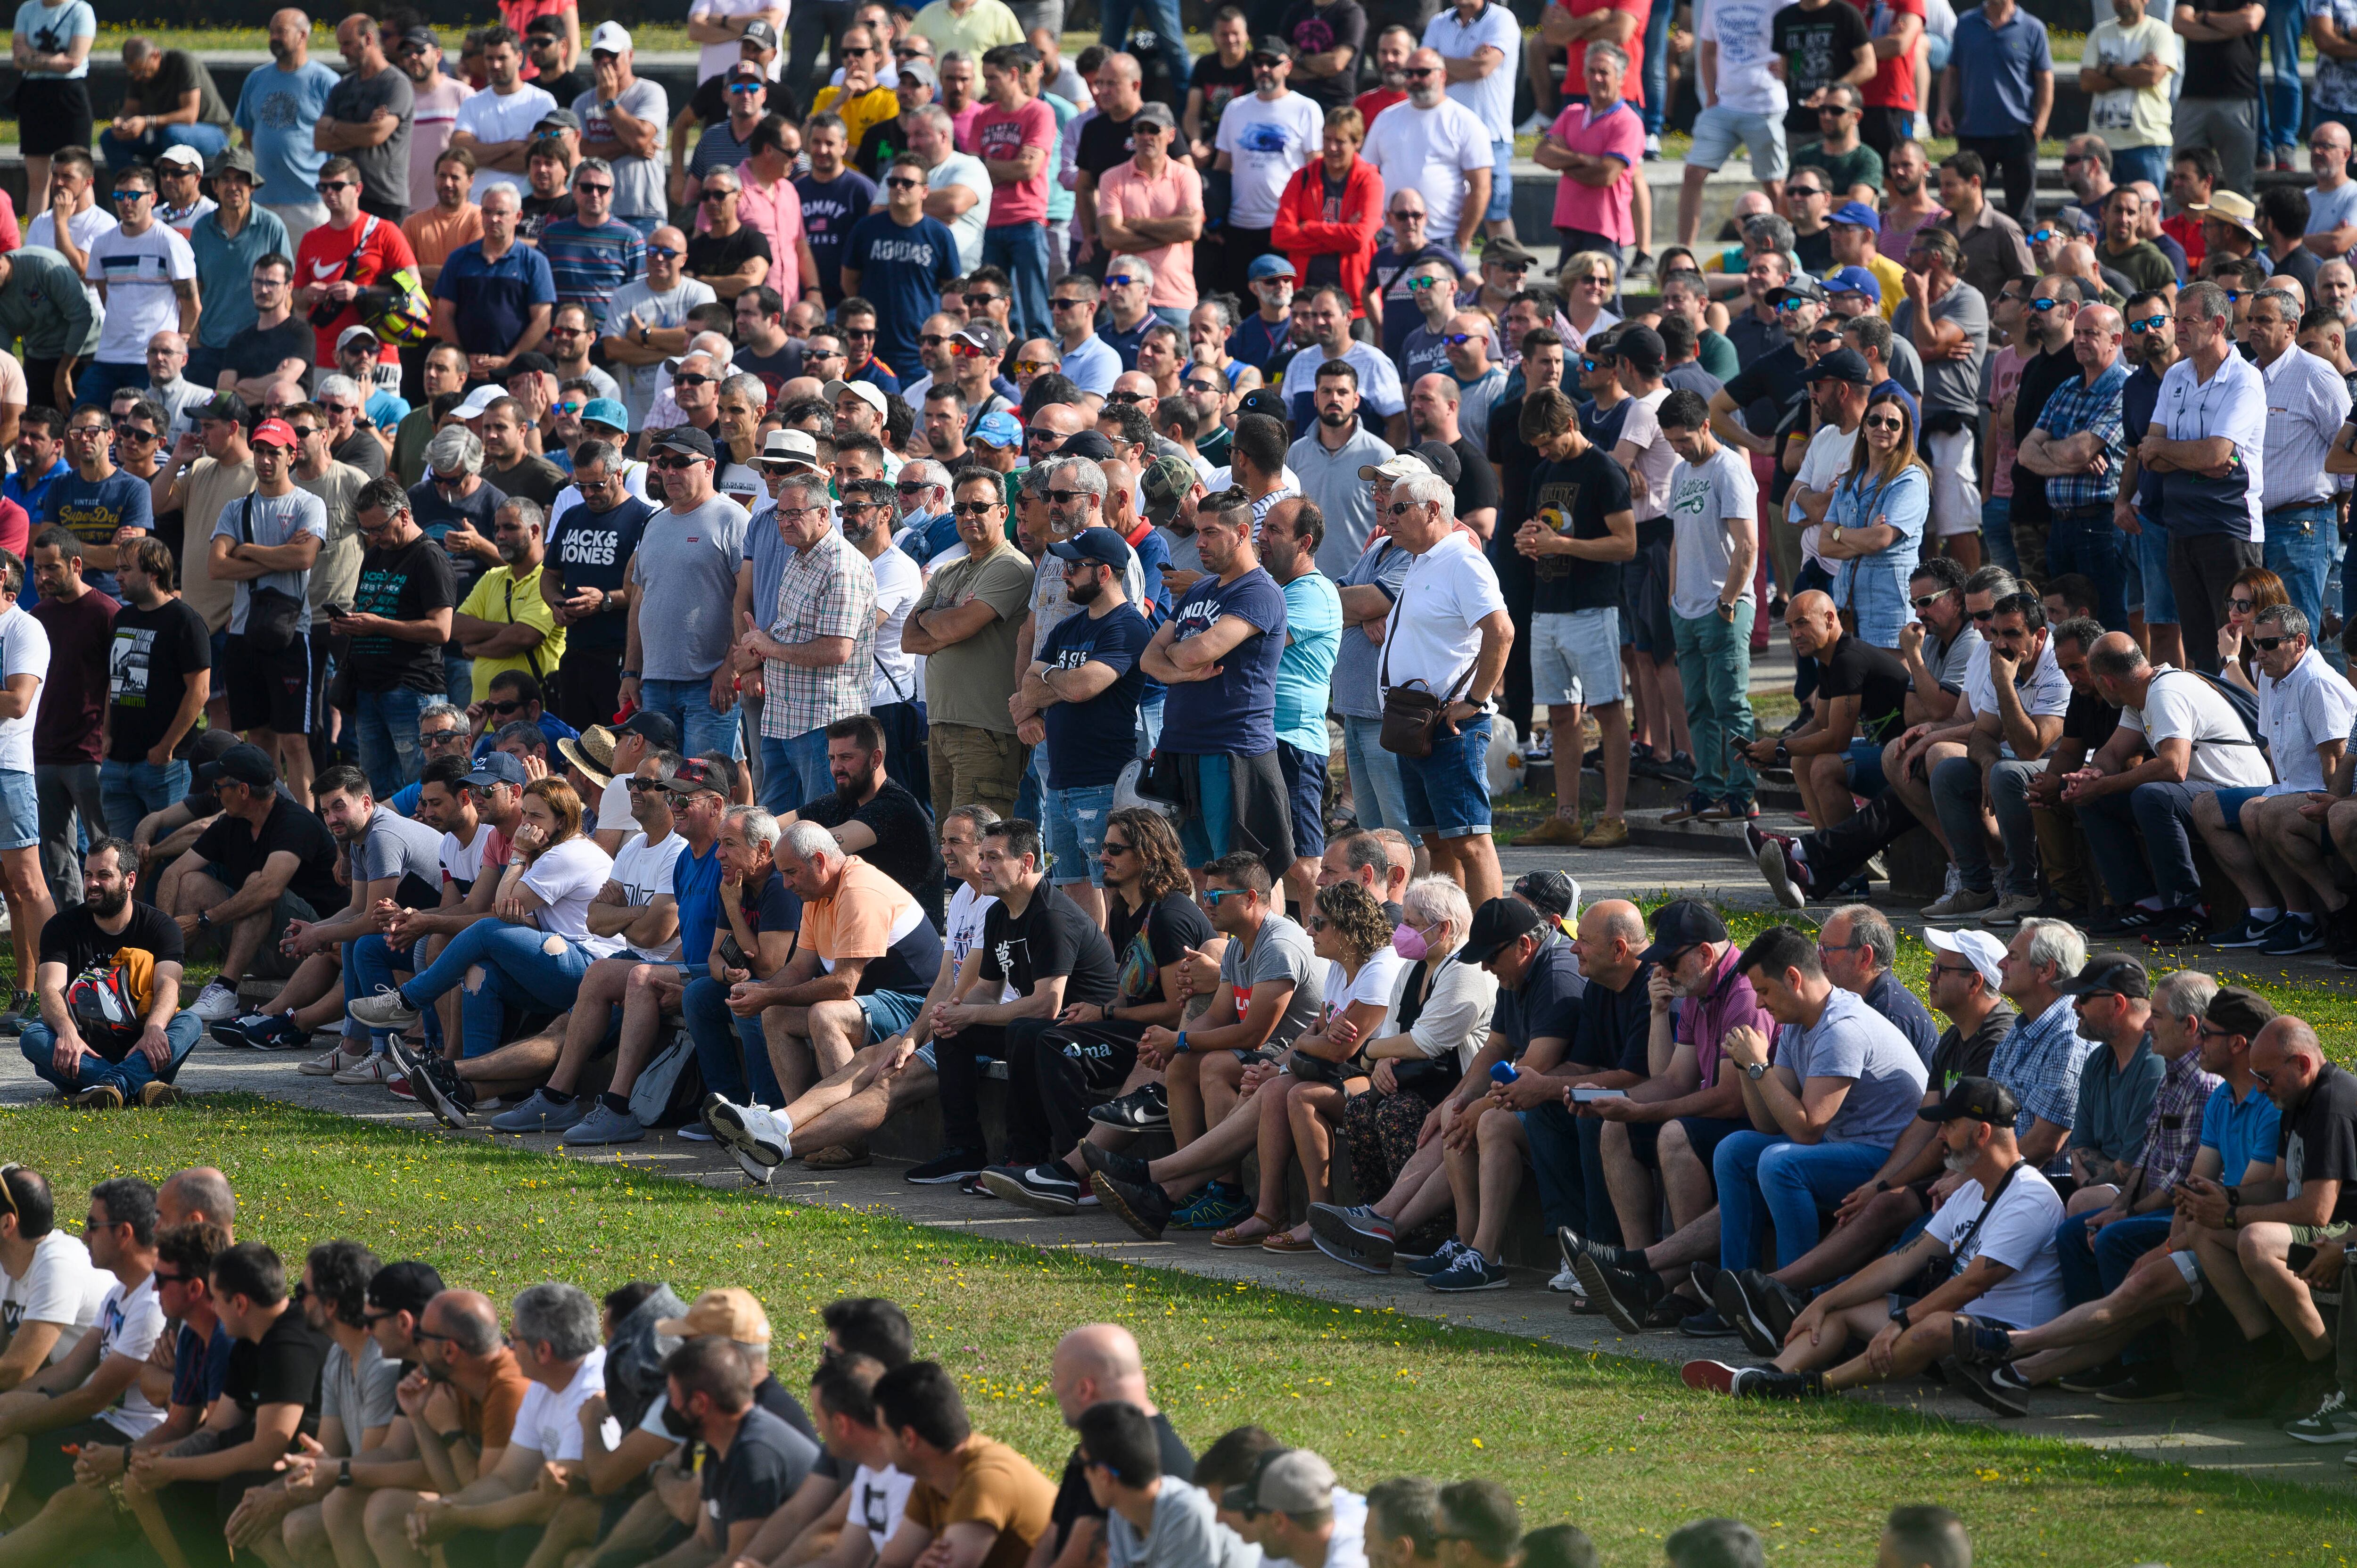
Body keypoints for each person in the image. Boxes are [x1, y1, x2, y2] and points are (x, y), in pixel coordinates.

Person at [1685, 1073, 2065, 1401]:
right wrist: (1823, 1301)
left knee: (1932, 1325)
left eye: (1949, 1125)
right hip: (1957, 1329)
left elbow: (1974, 1282)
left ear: (1983, 1133)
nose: (1940, 1136)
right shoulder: (1969, 1190)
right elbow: (1901, 1261)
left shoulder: (2029, 1196)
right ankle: (1770, 1374)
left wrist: (1902, 1320)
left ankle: (1815, 1386)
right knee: (1841, 1308)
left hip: (2006, 1343)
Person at [2194, 604, 2357, 955]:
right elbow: (2273, 751)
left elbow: (2338, 761)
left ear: (2300, 642)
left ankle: (2320, 913)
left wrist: (2330, 811)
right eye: (2256, 644)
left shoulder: (2317, 683)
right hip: (2284, 789)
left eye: (2269, 644)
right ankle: (2265, 914)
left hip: (2320, 795)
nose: (2259, 653)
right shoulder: (2272, 675)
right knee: (2206, 806)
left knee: (2260, 811)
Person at [1513, 386, 1634, 847]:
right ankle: (1566, 814)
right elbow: (1541, 527)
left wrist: (1561, 545)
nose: (1543, 452)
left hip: (1592, 606)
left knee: (1606, 709)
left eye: (1548, 441)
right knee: (1560, 715)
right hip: (1547, 605)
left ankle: (1614, 815)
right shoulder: (1544, 470)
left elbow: (1626, 544)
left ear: (1570, 425)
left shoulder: (1604, 470)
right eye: (1536, 446)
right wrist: (1527, 540)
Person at [16, 840, 199, 1105]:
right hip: (84, 1050)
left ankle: (109, 1085)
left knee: (190, 1022)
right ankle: (140, 1085)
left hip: (144, 1047)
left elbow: (168, 987)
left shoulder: (162, 928)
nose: (92, 884)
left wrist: (154, 1029)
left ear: (130, 880)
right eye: (88, 875)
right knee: (33, 1037)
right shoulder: (61, 928)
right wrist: (67, 1032)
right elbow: (49, 990)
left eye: (104, 875)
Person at [904, 470, 1033, 823]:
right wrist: (945, 623)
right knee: (952, 845)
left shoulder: (1011, 566)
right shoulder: (949, 570)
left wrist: (934, 616)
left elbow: (959, 625)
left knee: (980, 845)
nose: (968, 516)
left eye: (979, 506)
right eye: (960, 509)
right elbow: (908, 638)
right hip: (942, 724)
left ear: (1003, 513)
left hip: (986, 732)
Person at [209, 415, 327, 803]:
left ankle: (305, 823)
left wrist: (249, 550)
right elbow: (217, 566)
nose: (264, 460)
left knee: (295, 739)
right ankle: (272, 814)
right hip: (244, 633)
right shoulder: (236, 508)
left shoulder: (309, 503)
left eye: (273, 452)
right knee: (258, 738)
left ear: (291, 456)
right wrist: (281, 556)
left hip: (291, 634)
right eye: (259, 451)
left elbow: (306, 556)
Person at [2247, 287, 2350, 637]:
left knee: (2299, 641)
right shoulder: (2244, 377)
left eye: (2264, 320)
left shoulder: (2316, 375)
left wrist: (2346, 502)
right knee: (2265, 642)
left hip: (2303, 525)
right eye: (2250, 320)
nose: (2253, 327)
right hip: (2252, 527)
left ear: (2292, 327)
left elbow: (2349, 447)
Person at [24, 529, 112, 912]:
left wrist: (109, 737)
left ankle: (113, 922)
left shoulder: (106, 612)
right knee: (57, 857)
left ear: (77, 565)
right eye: (37, 569)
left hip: (89, 751)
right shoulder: (36, 617)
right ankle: (76, 931)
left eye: (51, 568)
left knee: (104, 848)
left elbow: (117, 682)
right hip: (43, 751)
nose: (42, 577)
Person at [102, 537, 209, 841]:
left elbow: (199, 692)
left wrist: (167, 747)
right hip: (117, 764)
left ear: (153, 573)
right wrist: (106, 734)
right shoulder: (122, 617)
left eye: (125, 569)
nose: (117, 577)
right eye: (116, 569)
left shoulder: (185, 621)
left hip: (165, 767)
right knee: (120, 864)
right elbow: (115, 679)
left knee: (165, 858)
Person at [76, 165, 198, 410]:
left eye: (134, 196)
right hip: (108, 355)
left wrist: (178, 341)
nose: (126, 203)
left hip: (149, 360)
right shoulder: (103, 244)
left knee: (141, 430)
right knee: (82, 419)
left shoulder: (170, 242)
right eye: (120, 196)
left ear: (152, 198)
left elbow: (192, 304)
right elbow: (105, 296)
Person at [1934, 0, 2051, 222]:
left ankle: (2022, 255)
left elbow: (2045, 77)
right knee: (1966, 205)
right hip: (1974, 131)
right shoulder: (1966, 24)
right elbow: (1952, 70)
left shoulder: (2033, 28)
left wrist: (2041, 121)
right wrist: (1943, 110)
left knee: (2023, 213)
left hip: (2018, 131)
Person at [431, 185, 558, 384]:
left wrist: (509, 360)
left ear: (518, 217)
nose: (493, 219)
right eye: (487, 212)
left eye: (501, 213)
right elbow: (445, 314)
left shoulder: (534, 262)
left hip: (516, 375)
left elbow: (542, 320)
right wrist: (462, 360)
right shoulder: (459, 259)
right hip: (466, 376)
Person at [317, 14, 415, 226]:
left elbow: (376, 134)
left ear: (369, 39)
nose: (342, 51)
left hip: (385, 199)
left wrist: (335, 126)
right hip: (346, 198)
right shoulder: (342, 87)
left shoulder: (396, 84)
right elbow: (320, 140)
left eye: (347, 44)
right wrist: (365, 131)